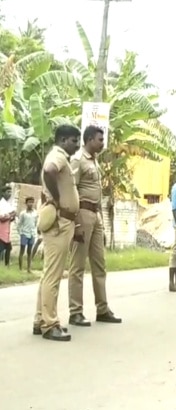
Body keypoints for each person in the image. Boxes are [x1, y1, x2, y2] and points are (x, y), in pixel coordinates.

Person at [67, 125, 122, 328]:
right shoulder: (78, 160)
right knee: (78, 266)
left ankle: (102, 308)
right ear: (89, 139)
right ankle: (75, 311)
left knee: (100, 265)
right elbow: (72, 190)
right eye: (100, 139)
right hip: (82, 212)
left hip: (95, 214)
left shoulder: (94, 161)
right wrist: (77, 222)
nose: (102, 143)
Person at [33, 124, 81, 342]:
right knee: (53, 275)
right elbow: (49, 171)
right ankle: (50, 324)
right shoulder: (58, 155)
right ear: (63, 140)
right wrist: (58, 200)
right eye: (74, 140)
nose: (77, 145)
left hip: (63, 221)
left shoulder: (62, 157)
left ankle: (39, 319)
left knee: (48, 274)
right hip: (60, 222)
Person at [17, 196, 38, 272]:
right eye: (29, 202)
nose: (31, 204)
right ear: (26, 203)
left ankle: (29, 269)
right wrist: (20, 233)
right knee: (22, 251)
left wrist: (35, 232)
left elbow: (36, 223)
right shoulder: (23, 213)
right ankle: (20, 269)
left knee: (29, 252)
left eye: (32, 202)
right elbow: (19, 224)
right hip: (24, 234)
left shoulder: (35, 213)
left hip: (32, 234)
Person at [0, 185, 15, 266]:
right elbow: (1, 218)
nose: (9, 194)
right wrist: (10, 215)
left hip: (7, 232)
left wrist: (12, 216)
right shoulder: (1, 204)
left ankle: (6, 265)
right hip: (1, 232)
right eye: (7, 192)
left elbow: (11, 217)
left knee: (8, 248)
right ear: (3, 193)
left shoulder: (8, 204)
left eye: (10, 192)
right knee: (1, 250)